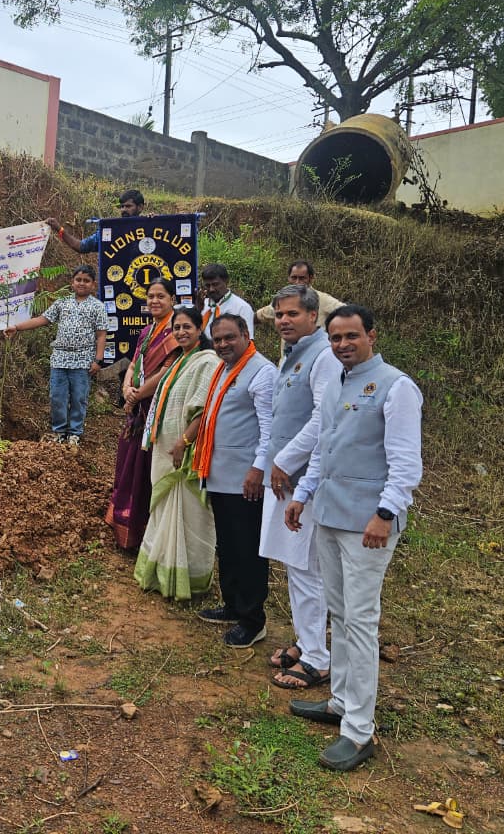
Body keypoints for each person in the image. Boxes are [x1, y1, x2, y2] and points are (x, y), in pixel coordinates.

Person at [285, 304, 423, 772]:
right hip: (329, 514)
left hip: (368, 525)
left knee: (360, 622)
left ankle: (360, 730)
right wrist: (303, 494)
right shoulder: (336, 386)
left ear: (371, 336)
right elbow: (322, 449)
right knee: (339, 613)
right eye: (336, 337)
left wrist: (385, 513)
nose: (343, 344)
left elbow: (405, 462)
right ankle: (341, 702)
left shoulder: (396, 387)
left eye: (351, 336)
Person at [260, 285, 340, 688]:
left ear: (313, 316)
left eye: (292, 314)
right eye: (279, 315)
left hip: (304, 477)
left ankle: (317, 659)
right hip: (286, 477)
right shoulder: (293, 354)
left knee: (307, 567)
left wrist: (285, 460)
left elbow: (323, 418)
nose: (284, 321)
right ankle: (306, 641)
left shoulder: (323, 356)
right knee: (295, 564)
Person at [193, 313, 279, 648]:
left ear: (246, 334)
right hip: (220, 474)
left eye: (230, 337)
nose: (223, 344)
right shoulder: (224, 369)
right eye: (217, 339)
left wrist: (258, 469)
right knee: (227, 545)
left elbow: (269, 429)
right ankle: (232, 604)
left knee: (248, 549)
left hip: (245, 479)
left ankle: (252, 619)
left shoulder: (262, 372)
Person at [133, 306, 220, 600]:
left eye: (186, 327)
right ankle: (159, 572)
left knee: (190, 514)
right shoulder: (180, 360)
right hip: (165, 449)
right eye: (176, 328)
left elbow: (203, 410)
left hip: (186, 454)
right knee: (164, 511)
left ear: (199, 329)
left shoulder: (206, 361)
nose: (181, 332)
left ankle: (189, 579)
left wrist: (184, 442)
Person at [104, 277, 179, 551]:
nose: (155, 301)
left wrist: (137, 394)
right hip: (136, 410)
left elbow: (166, 371)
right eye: (151, 296)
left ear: (172, 299)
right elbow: (135, 362)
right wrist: (126, 388)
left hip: (156, 410)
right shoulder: (147, 331)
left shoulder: (176, 332)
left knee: (147, 467)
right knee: (128, 461)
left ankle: (145, 530)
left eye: (161, 296)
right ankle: (123, 519)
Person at [4, 265, 107, 446]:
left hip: (83, 360)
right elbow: (42, 319)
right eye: (78, 280)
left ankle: (74, 433)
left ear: (93, 285)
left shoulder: (97, 307)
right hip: (60, 359)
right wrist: (17, 327)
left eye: (86, 281)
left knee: (79, 398)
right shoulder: (62, 303)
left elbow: (101, 335)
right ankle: (59, 431)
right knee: (57, 397)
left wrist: (98, 360)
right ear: (72, 282)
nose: (82, 283)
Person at [256, 260, 343, 339]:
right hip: (289, 350)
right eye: (294, 278)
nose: (297, 282)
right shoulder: (283, 300)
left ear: (311, 278)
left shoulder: (323, 300)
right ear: (288, 278)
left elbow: (347, 313)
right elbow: (263, 314)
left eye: (302, 278)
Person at [44, 188, 144, 254]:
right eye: (122, 207)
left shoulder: (149, 227)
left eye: (128, 206)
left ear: (140, 207)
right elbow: (80, 246)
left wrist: (153, 222)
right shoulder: (111, 229)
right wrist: (59, 229)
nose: (124, 210)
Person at [200, 263, 254, 340]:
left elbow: (248, 341)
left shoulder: (242, 308)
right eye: (207, 285)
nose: (211, 289)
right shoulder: (202, 306)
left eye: (215, 284)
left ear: (226, 282)